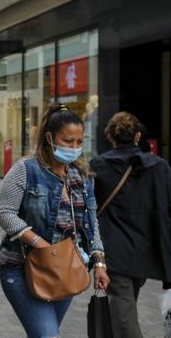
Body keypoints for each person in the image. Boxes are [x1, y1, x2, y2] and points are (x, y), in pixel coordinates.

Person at [0, 104, 109, 337]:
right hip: (22, 267)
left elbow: (91, 223)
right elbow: (4, 212)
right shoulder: (26, 169)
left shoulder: (83, 176)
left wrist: (99, 263)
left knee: (46, 333)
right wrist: (41, 244)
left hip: (65, 270)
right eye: (68, 141)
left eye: (79, 141)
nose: (75, 147)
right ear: (49, 137)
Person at [90, 112, 171, 338]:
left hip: (114, 251)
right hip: (146, 249)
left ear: (110, 137)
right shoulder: (160, 167)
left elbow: (91, 209)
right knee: (124, 307)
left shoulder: (99, 165)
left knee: (124, 314)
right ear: (137, 136)